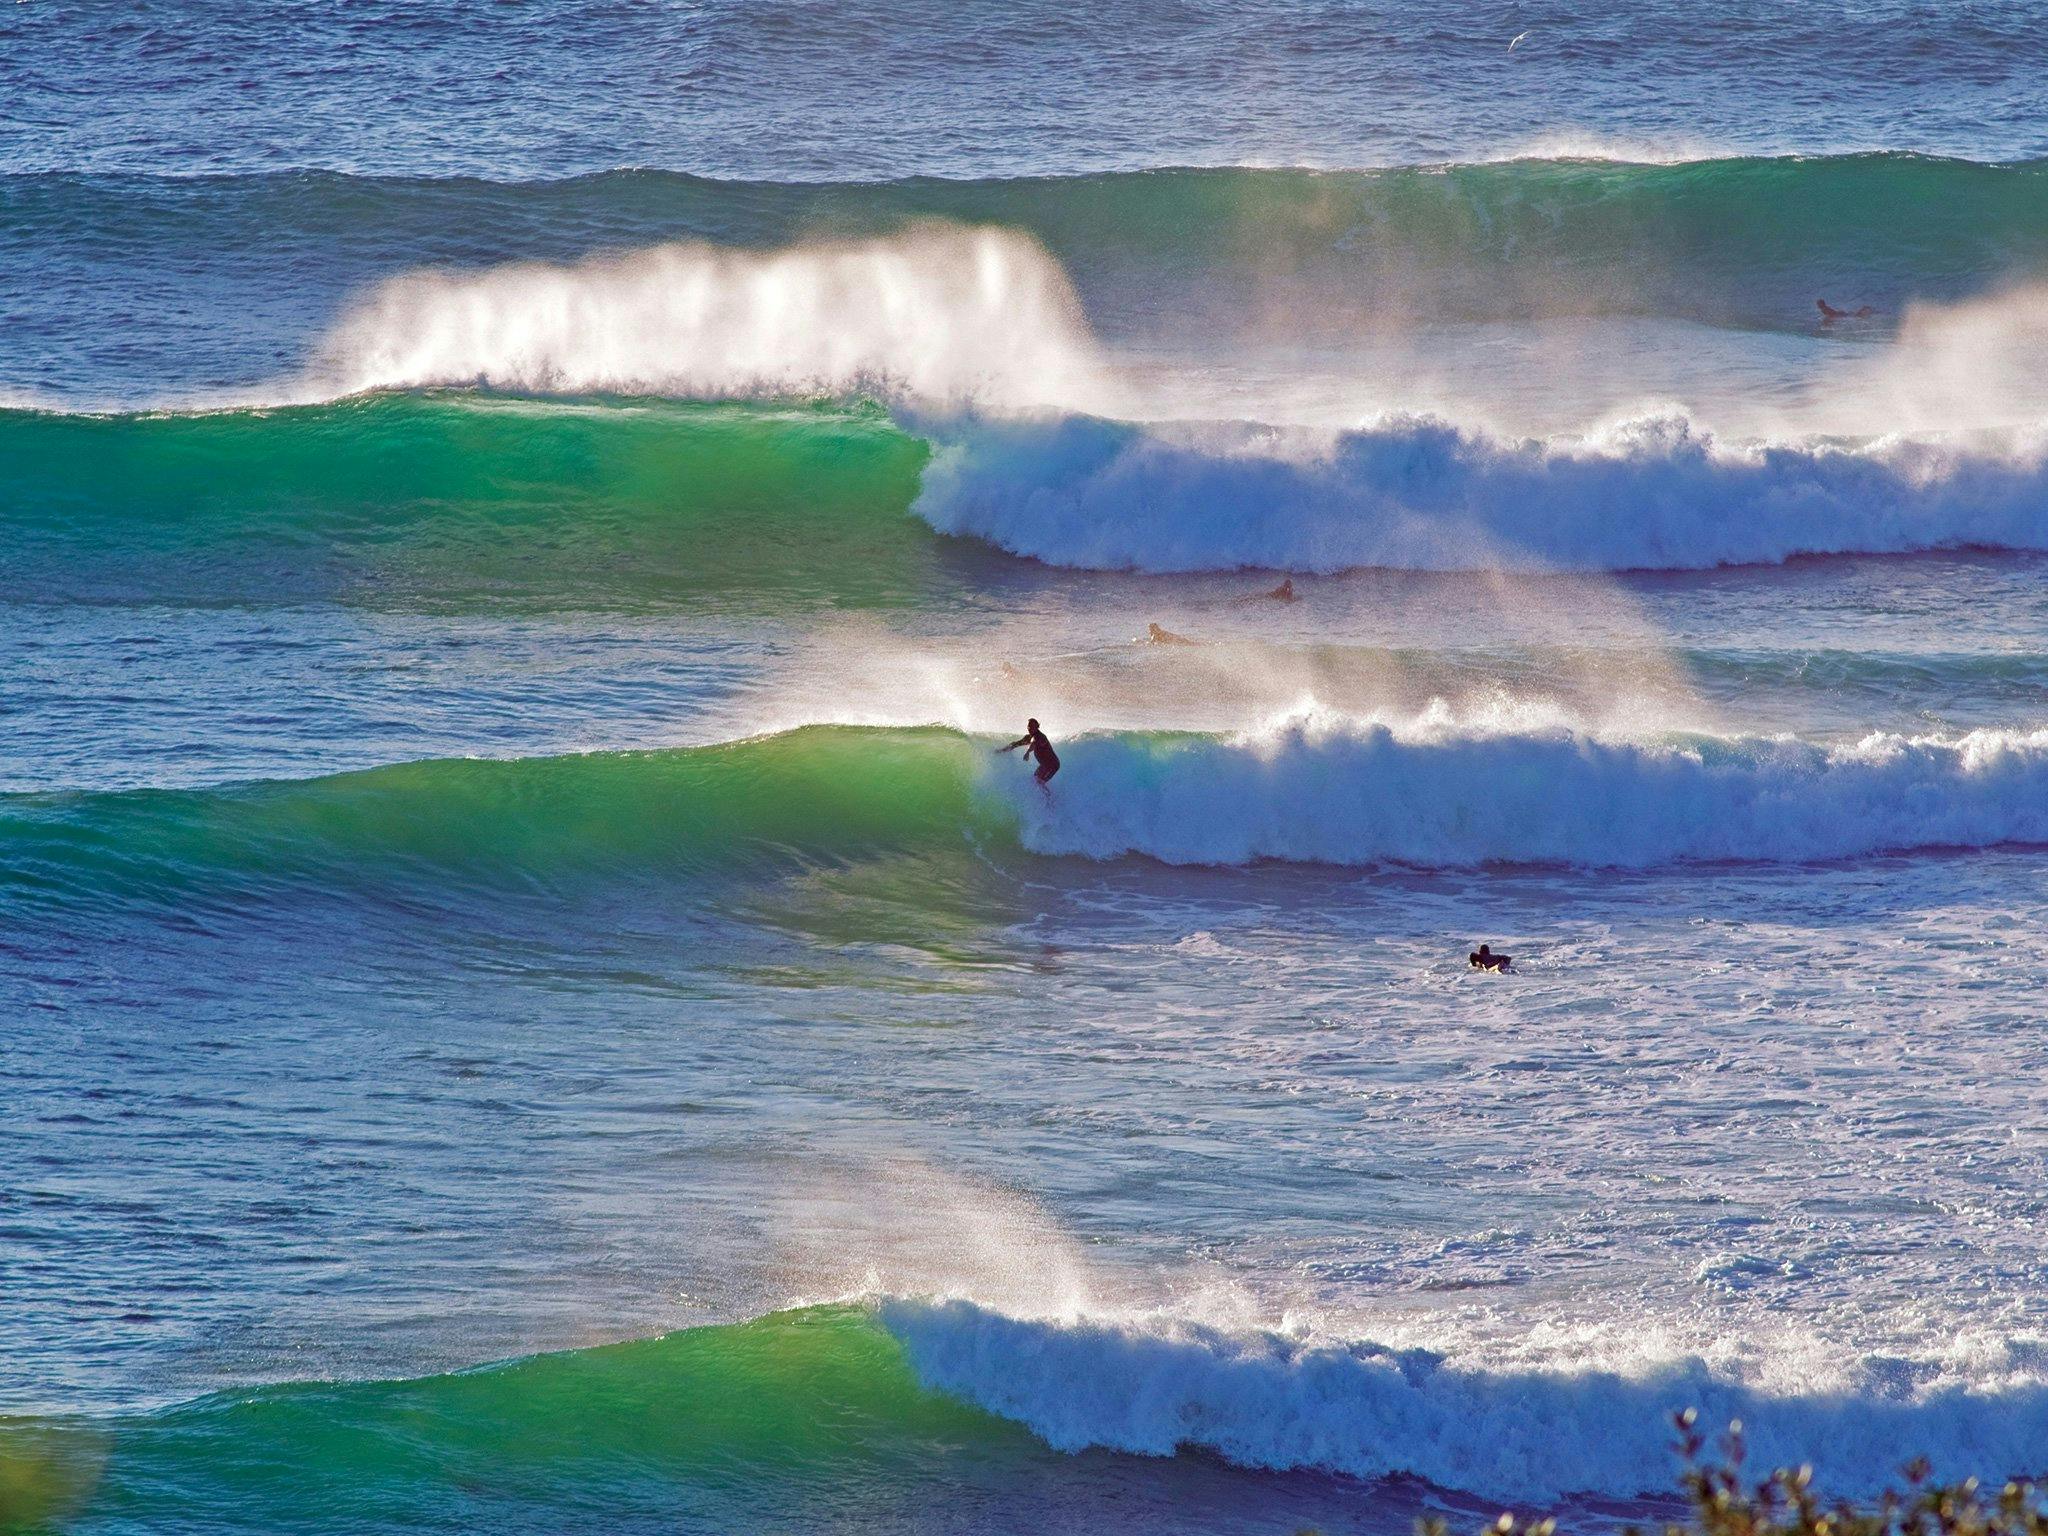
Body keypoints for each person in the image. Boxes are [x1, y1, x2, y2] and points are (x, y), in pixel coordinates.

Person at [998, 718, 1060, 792]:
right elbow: (1016, 744)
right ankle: (1046, 798)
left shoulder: (1041, 737)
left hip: (1052, 765)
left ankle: (1050, 801)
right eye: (1029, 727)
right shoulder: (1029, 737)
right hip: (1044, 765)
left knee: (1039, 782)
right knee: (1035, 780)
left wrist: (1027, 752)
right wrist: (1001, 750)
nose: (1030, 729)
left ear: (1037, 727)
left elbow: (1034, 743)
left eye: (1032, 727)